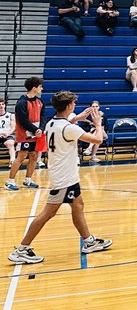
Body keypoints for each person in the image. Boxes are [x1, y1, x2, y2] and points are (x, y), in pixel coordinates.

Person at [8, 90, 112, 265]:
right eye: (74, 104)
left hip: (65, 175)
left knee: (78, 204)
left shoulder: (51, 123)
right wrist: (98, 123)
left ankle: (88, 241)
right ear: (69, 106)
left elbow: (67, 124)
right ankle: (22, 248)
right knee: (48, 213)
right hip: (64, 178)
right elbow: (97, 139)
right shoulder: (69, 128)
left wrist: (78, 117)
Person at [6, 77, 45, 190]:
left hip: (36, 134)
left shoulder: (40, 101)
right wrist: (35, 129)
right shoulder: (22, 103)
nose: (41, 88)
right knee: (21, 157)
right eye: (40, 86)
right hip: (24, 135)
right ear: (34, 88)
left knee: (33, 156)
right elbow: (23, 121)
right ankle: (10, 181)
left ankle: (28, 180)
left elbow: (43, 117)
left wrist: (41, 129)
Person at [0, 99, 15, 167]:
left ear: (5, 105)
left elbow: (13, 127)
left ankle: (12, 161)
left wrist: (8, 134)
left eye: (2, 104)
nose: (1, 106)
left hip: (7, 135)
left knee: (10, 143)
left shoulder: (11, 115)